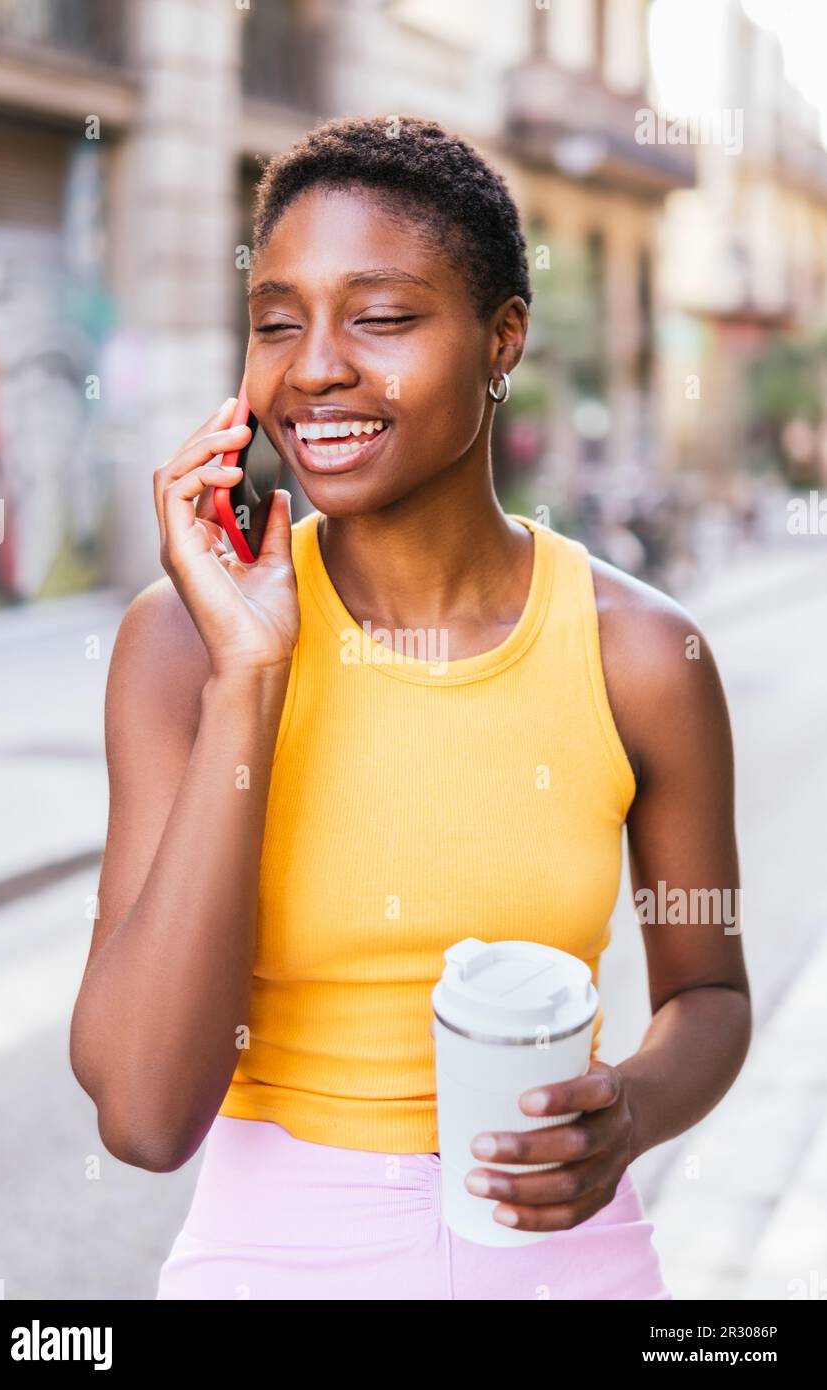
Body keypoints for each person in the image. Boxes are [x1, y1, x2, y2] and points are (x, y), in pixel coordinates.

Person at [69, 116, 750, 1300]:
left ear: (501, 340)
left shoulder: (643, 655)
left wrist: (627, 1112)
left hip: (555, 1260)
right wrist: (250, 677)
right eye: (276, 321)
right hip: (267, 1260)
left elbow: (708, 995)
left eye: (380, 318)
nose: (315, 364)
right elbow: (141, 1112)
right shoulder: (181, 643)